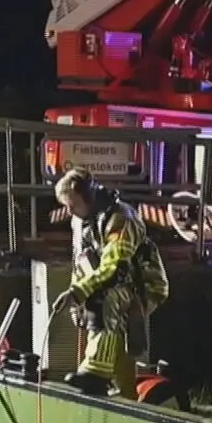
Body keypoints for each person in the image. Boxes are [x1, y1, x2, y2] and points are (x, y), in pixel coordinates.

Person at [53, 168, 170, 397]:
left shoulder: (121, 218)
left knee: (104, 299)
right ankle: (124, 393)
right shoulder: (80, 220)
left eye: (72, 204)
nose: (69, 211)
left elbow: (115, 268)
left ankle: (96, 373)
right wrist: (75, 295)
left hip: (143, 285)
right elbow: (81, 261)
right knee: (113, 338)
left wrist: (80, 292)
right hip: (114, 282)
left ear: (88, 197)